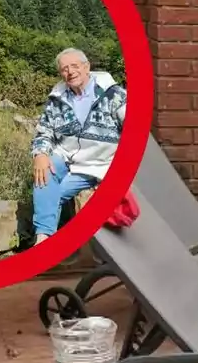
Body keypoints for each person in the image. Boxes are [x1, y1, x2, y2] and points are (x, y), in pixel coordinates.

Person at [30, 48, 126, 244]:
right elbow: (44, 131)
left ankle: (46, 240)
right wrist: (40, 153)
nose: (70, 72)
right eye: (65, 69)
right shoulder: (57, 99)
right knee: (44, 173)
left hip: (100, 162)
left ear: (87, 67)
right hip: (67, 157)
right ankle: (43, 238)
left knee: (51, 195)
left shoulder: (112, 94)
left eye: (75, 66)